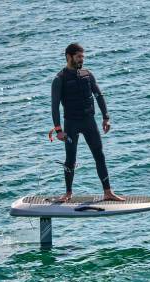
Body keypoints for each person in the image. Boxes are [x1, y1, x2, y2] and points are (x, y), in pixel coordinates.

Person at [50, 43, 125, 202]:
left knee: (99, 155)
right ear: (69, 56)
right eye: (78, 57)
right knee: (70, 159)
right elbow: (54, 106)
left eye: (83, 57)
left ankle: (107, 192)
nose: (81, 60)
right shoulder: (59, 79)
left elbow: (99, 95)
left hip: (89, 122)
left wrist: (106, 117)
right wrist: (58, 130)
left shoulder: (87, 74)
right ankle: (68, 193)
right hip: (71, 124)